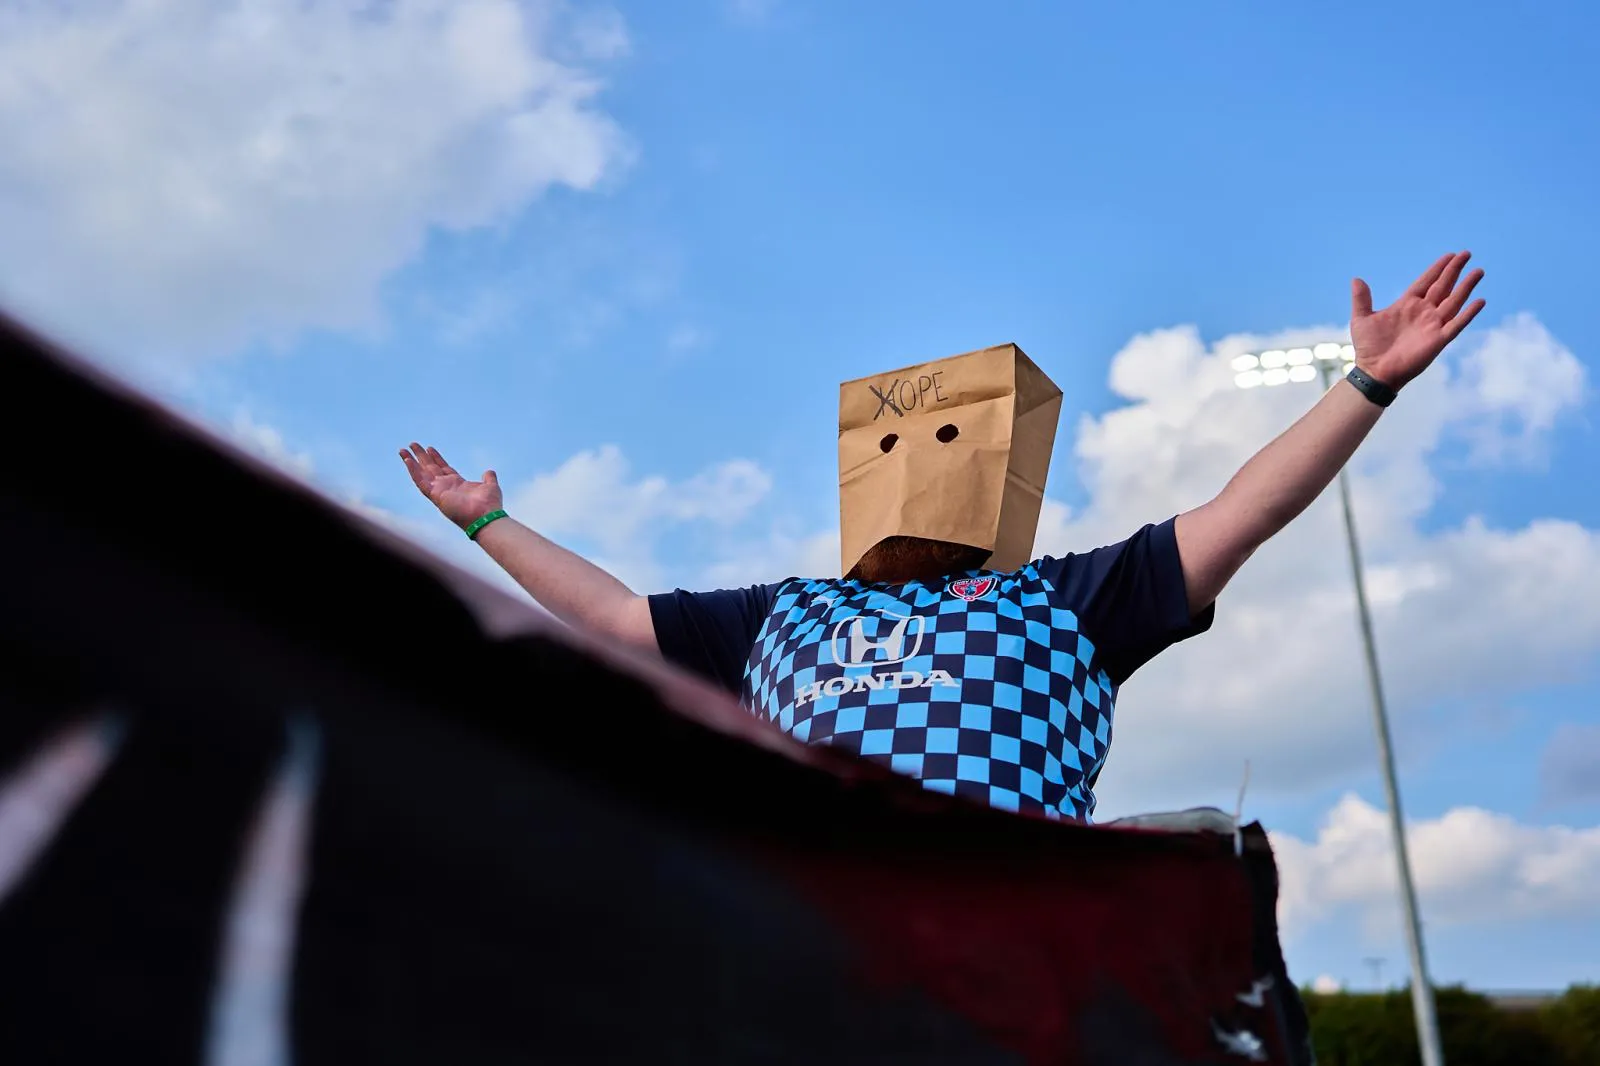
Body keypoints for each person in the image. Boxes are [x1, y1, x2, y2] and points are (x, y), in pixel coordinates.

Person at [401, 252, 1486, 821]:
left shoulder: (1066, 600)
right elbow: (608, 615)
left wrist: (1365, 384)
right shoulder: (780, 615)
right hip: (819, 939)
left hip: (1007, 938)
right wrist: (487, 521)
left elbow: (1243, 512)